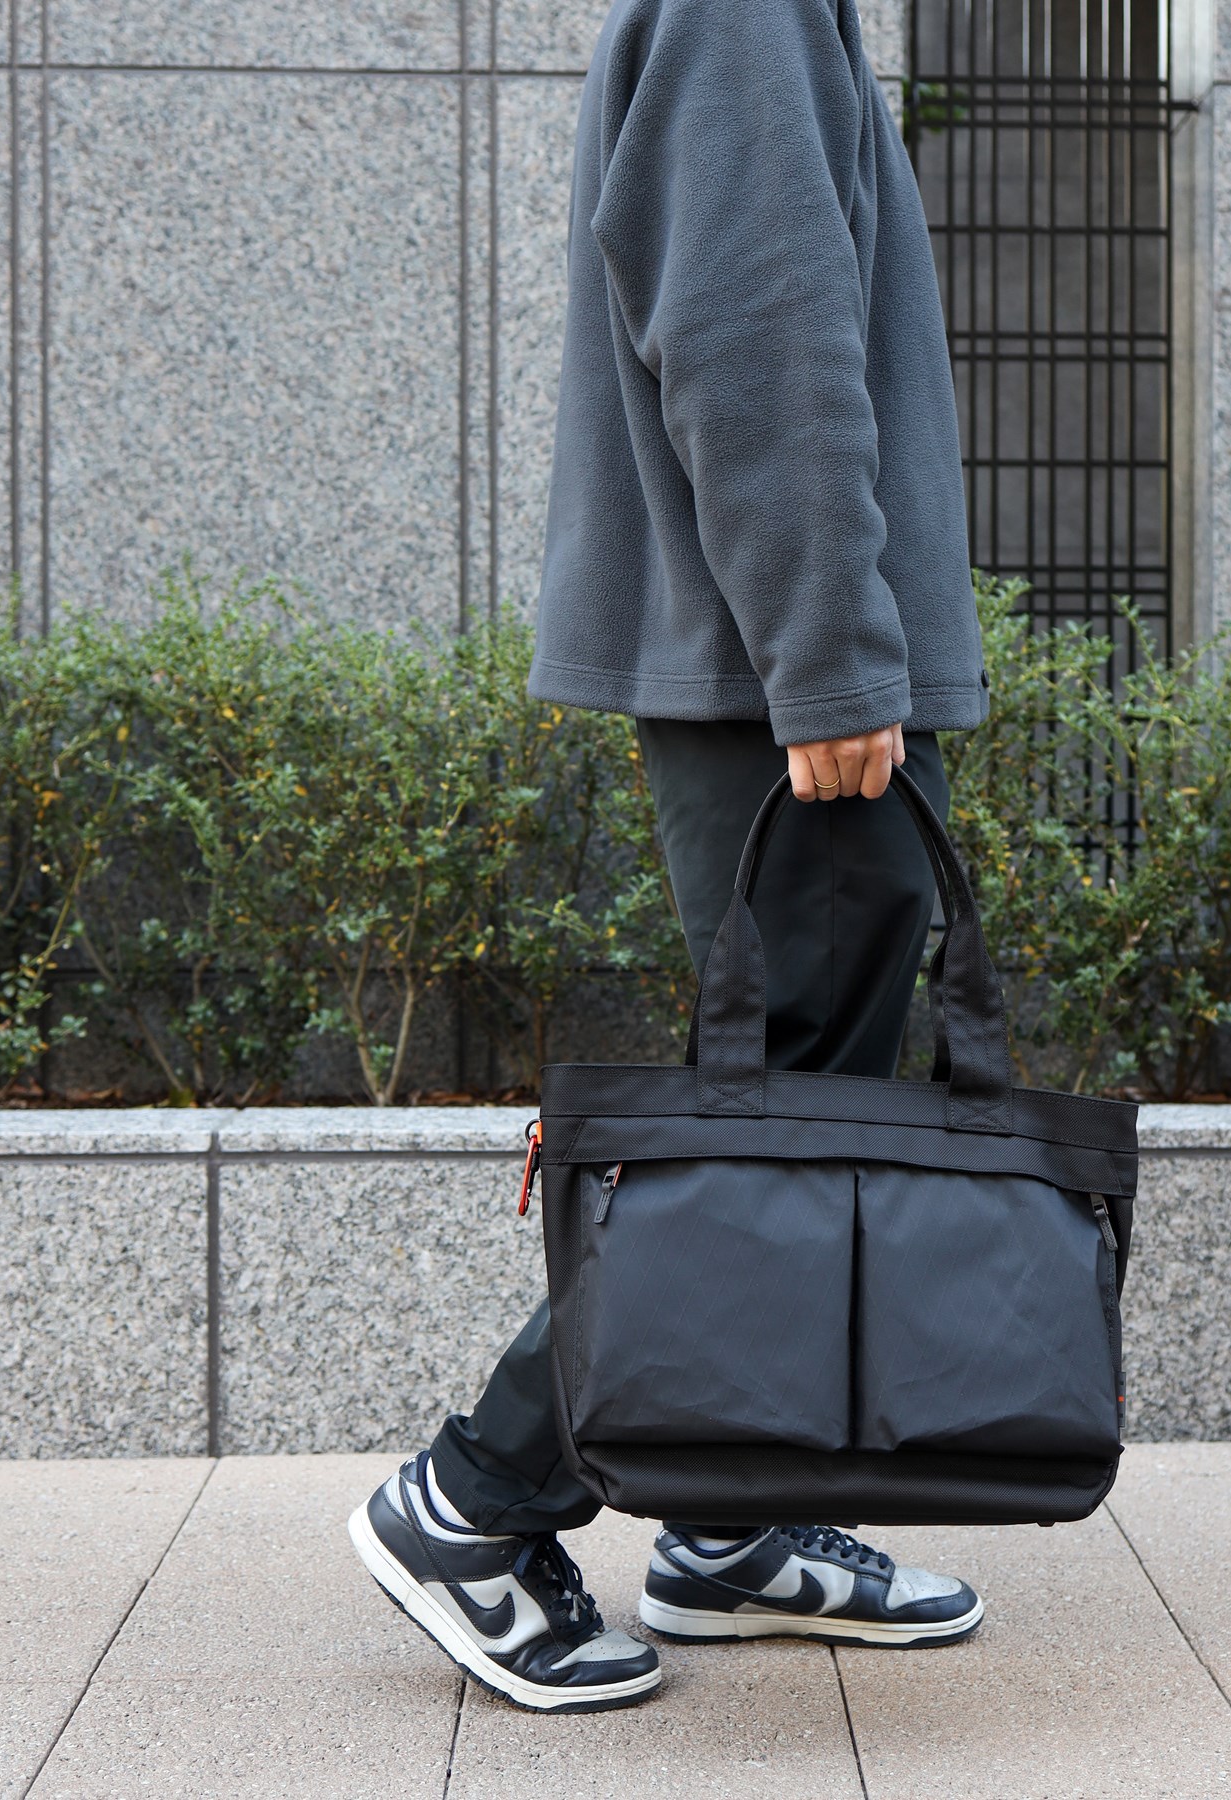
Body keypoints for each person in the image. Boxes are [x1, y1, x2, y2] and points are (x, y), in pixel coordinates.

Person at [349, 0, 991, 1712]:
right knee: (764, 1147)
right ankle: (475, 1505)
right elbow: (753, 328)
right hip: (780, 685)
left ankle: (727, 1517)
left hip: (775, 673)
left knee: (790, 1123)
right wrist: (832, 656)